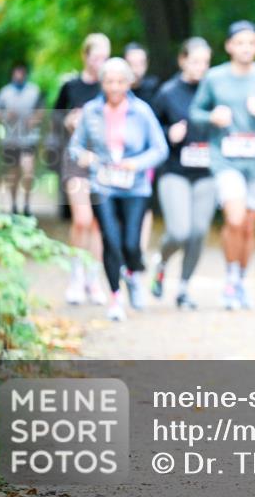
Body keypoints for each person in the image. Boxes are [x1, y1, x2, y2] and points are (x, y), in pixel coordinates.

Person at [189, 21, 255, 310]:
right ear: (229, 46)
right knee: (234, 219)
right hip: (225, 160)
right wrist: (213, 117)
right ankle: (230, 279)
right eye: (241, 43)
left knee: (248, 226)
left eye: (252, 43)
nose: (246, 48)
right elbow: (194, 113)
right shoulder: (214, 78)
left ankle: (241, 280)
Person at [68, 57, 168, 321]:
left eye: (120, 81)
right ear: (102, 83)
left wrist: (136, 163)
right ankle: (115, 298)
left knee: (131, 245)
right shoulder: (91, 110)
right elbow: (74, 147)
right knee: (111, 241)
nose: (114, 87)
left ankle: (133, 275)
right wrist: (84, 157)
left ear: (129, 82)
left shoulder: (142, 111)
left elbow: (160, 149)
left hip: (135, 186)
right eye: (109, 81)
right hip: (103, 184)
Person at [149, 38, 215, 310]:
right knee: (179, 232)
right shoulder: (167, 93)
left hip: (207, 172)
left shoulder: (214, 92)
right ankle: (162, 262)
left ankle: (184, 288)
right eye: (195, 61)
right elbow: (149, 132)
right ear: (182, 60)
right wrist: (168, 134)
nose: (200, 67)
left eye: (206, 62)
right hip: (174, 171)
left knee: (198, 231)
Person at [53, 33, 111, 305]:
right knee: (82, 220)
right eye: (96, 56)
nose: (100, 62)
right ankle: (76, 274)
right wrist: (68, 121)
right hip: (75, 159)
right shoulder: (71, 86)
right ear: (85, 56)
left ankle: (93, 277)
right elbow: (54, 117)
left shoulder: (111, 86)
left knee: (99, 223)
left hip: (103, 161)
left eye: (105, 57)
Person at [0, 64, 45, 215]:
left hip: (29, 139)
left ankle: (26, 206)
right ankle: (14, 205)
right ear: (12, 74)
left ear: (26, 74)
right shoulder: (5, 92)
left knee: (28, 171)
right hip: (10, 140)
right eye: (16, 73)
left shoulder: (34, 91)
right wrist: (6, 115)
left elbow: (41, 110)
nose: (19, 76)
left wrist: (34, 119)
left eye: (22, 73)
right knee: (13, 174)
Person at [124, 42, 161, 256]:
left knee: (143, 202)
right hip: (117, 158)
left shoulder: (153, 88)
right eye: (132, 63)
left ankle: (139, 251)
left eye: (140, 63)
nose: (136, 68)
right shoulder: (114, 89)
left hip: (145, 158)